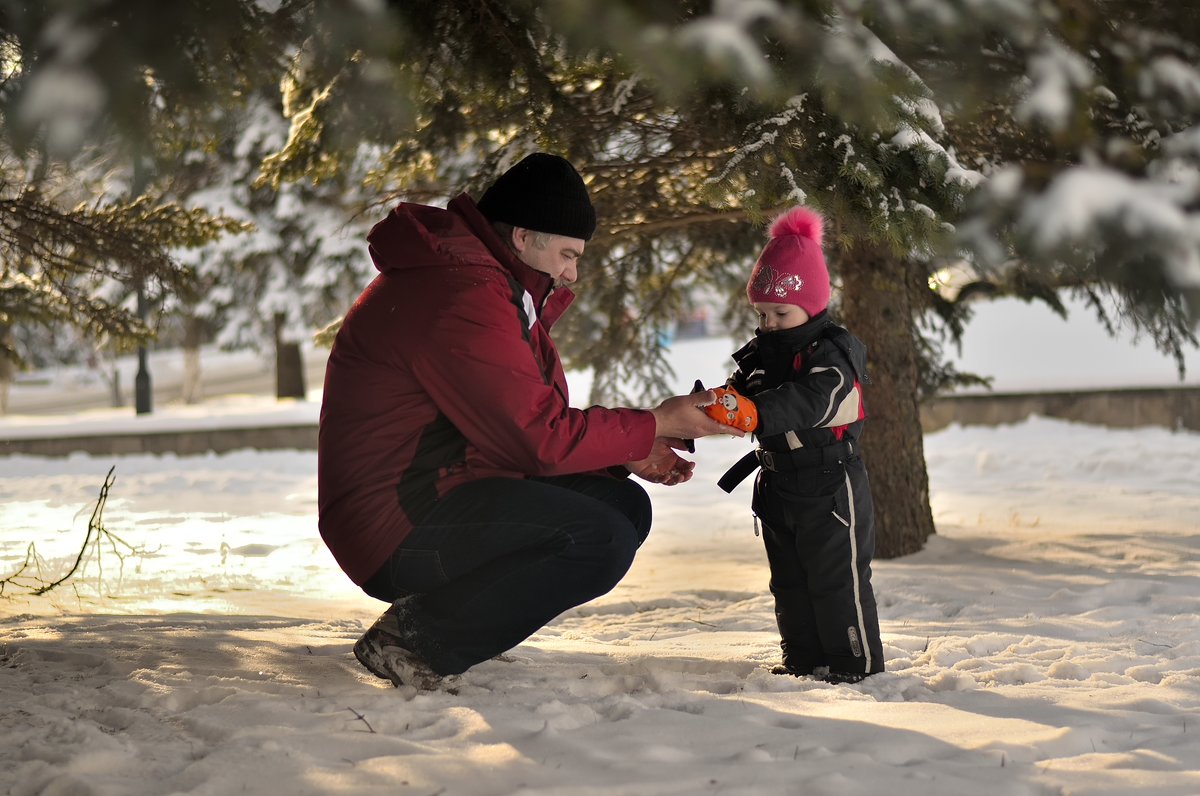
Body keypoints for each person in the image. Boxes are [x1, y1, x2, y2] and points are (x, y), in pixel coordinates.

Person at [317, 152, 735, 689]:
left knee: (621, 508)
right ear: (521, 236)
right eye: (566, 253)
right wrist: (656, 421)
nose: (572, 272)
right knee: (598, 536)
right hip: (393, 525)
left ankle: (448, 623)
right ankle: (414, 639)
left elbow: (516, 426)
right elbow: (535, 438)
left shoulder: (481, 285)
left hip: (434, 492)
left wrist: (626, 449)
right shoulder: (461, 296)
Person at [707, 206, 885, 684]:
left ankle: (855, 666)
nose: (768, 323)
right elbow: (736, 397)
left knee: (835, 581)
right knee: (789, 582)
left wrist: (756, 413)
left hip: (829, 486)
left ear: (812, 305)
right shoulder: (761, 355)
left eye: (780, 312)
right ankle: (804, 660)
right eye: (761, 313)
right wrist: (710, 412)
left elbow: (812, 400)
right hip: (778, 484)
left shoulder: (834, 354)